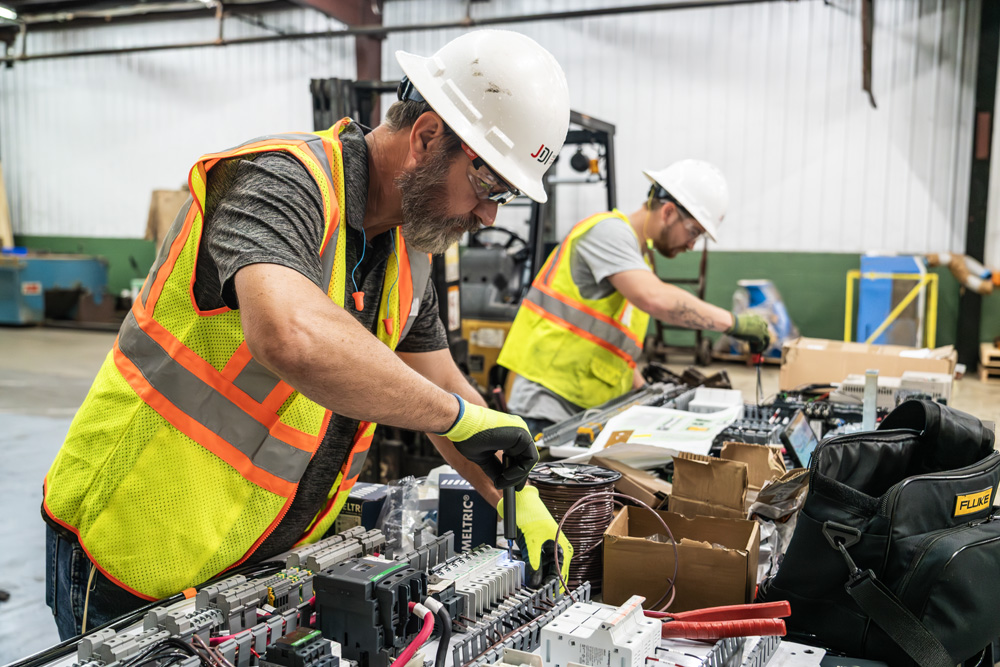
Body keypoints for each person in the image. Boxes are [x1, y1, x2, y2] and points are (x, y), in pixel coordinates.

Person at [41, 29, 572, 639]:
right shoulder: (278, 181)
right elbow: (290, 335)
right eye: (489, 186)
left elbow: (445, 387)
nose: (489, 215)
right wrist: (453, 415)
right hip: (136, 541)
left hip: (256, 566)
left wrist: (512, 491)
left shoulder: (410, 254)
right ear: (427, 137)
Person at [498, 160, 770, 434]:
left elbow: (615, 350)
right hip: (548, 409)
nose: (691, 245)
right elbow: (656, 299)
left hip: (584, 413)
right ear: (668, 212)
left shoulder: (638, 264)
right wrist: (734, 323)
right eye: (693, 232)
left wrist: (649, 392)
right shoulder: (608, 232)